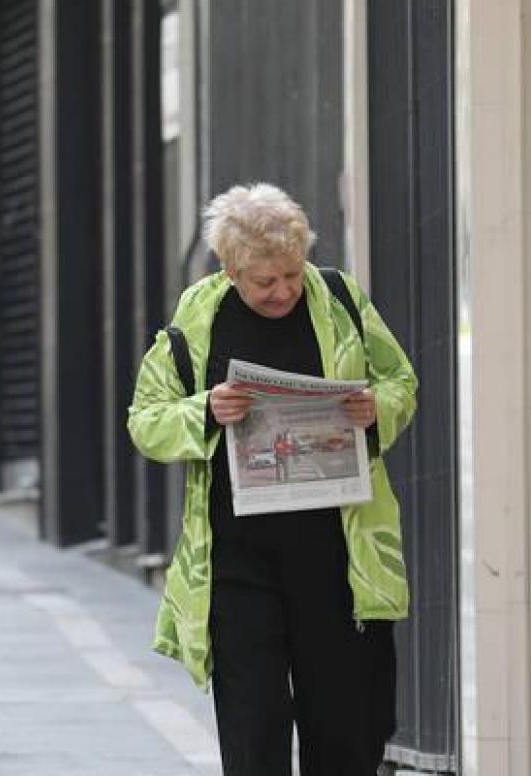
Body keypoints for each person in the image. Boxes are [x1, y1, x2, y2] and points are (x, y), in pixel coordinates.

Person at [128, 183, 417, 776]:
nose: (284, 289)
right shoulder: (196, 320)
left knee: (343, 725)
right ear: (231, 270)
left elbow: (401, 382)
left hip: (338, 555)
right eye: (265, 281)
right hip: (239, 561)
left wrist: (375, 408)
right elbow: (145, 420)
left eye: (292, 272)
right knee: (253, 725)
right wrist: (205, 408)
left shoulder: (340, 299)